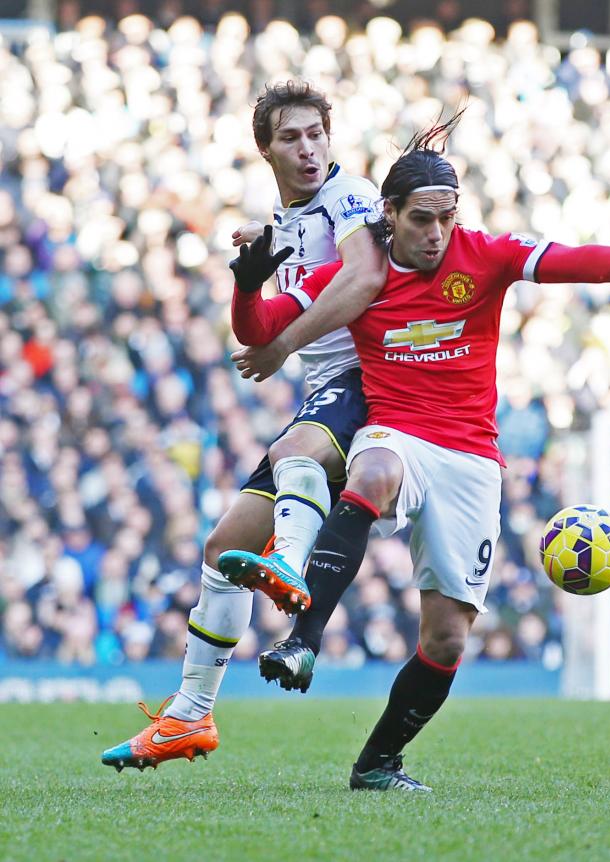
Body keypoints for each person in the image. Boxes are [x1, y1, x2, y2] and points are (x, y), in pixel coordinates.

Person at [225, 115, 610, 790]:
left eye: (447, 218)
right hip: (395, 431)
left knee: (447, 638)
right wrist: (248, 286)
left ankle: (379, 763)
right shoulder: (355, 276)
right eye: (422, 219)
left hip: (472, 459)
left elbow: (568, 261)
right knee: (375, 469)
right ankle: (302, 641)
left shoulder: (484, 255)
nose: (437, 234)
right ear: (387, 216)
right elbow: (263, 330)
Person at [100, 80, 385, 772]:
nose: (308, 148)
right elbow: (256, 331)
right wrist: (247, 282)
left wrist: (284, 345)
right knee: (222, 546)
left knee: (296, 452)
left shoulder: (349, 196)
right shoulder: (283, 226)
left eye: (316, 133)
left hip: (373, 384)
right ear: (266, 150)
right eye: (290, 137)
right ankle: (190, 717)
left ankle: (289, 562)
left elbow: (365, 279)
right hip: (325, 394)